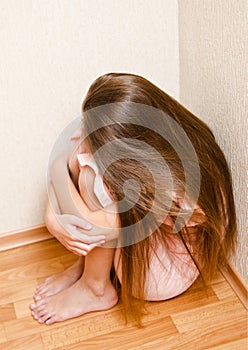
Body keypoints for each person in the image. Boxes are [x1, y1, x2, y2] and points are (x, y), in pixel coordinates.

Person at [30, 72, 237, 326]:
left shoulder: (167, 189)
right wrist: (52, 206)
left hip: (167, 272)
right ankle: (85, 269)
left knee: (91, 174)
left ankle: (95, 288)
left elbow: (92, 227)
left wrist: (53, 213)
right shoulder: (159, 133)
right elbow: (64, 157)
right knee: (86, 158)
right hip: (153, 239)